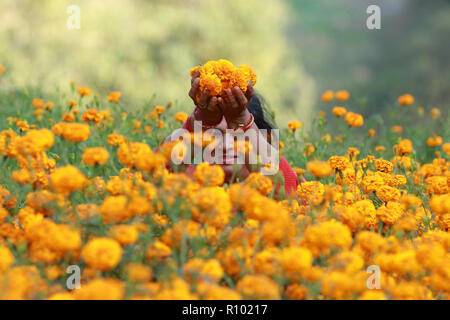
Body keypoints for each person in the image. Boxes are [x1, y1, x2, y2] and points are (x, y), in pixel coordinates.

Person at [161, 68, 300, 196]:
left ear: (261, 138)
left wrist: (242, 121)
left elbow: (295, 197)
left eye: (238, 136)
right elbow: (151, 173)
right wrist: (201, 120)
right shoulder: (184, 186)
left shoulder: (274, 194)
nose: (227, 146)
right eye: (215, 135)